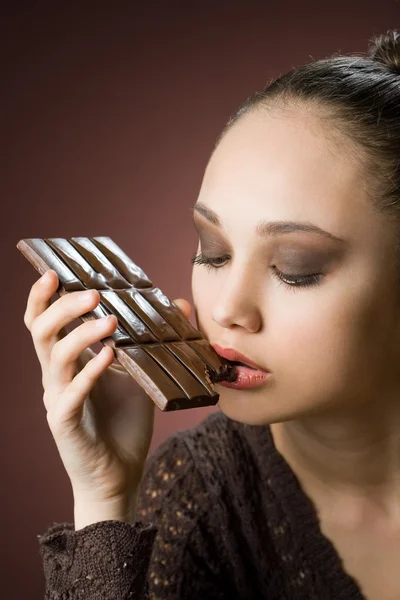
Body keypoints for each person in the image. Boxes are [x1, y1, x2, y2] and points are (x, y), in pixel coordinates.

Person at [24, 30, 400, 599]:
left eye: (296, 268)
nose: (224, 310)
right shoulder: (198, 497)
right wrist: (103, 499)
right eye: (213, 252)